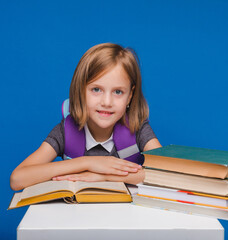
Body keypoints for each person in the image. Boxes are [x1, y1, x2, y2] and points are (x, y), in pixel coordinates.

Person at [10, 43, 162, 191]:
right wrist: (87, 163)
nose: (106, 102)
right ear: (80, 91)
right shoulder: (65, 132)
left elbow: (166, 177)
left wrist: (105, 176)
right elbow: (17, 179)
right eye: (96, 89)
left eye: (118, 92)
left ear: (130, 96)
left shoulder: (138, 129)